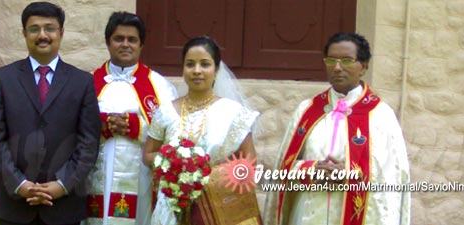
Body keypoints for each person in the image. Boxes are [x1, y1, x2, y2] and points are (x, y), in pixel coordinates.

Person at [263, 33, 410, 225]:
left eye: (347, 61)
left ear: (363, 66)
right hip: (309, 212)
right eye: (331, 60)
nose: (337, 67)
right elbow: (284, 168)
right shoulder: (307, 111)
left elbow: (394, 176)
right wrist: (311, 170)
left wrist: (350, 173)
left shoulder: (381, 115)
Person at [0, 2, 101, 225]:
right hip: (15, 205)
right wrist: (20, 184)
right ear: (24, 33)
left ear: (61, 33)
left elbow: (88, 142)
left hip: (64, 206)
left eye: (50, 28)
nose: (42, 35)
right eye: (34, 28)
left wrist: (63, 184)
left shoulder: (82, 81)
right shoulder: (3, 79)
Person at [142, 36, 262, 225]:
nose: (197, 71)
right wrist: (175, 165)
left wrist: (205, 175)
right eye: (190, 64)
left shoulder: (234, 112)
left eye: (204, 64)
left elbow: (249, 163)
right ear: (183, 69)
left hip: (217, 208)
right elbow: (148, 154)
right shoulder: (166, 111)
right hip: (172, 207)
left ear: (216, 70)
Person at [86, 11, 178, 225]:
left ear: (141, 45)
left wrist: (136, 126)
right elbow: (70, 124)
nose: (125, 44)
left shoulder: (160, 86)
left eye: (132, 40)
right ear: (108, 42)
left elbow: (172, 133)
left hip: (141, 177)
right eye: (119, 39)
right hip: (96, 173)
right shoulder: (87, 82)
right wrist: (102, 124)